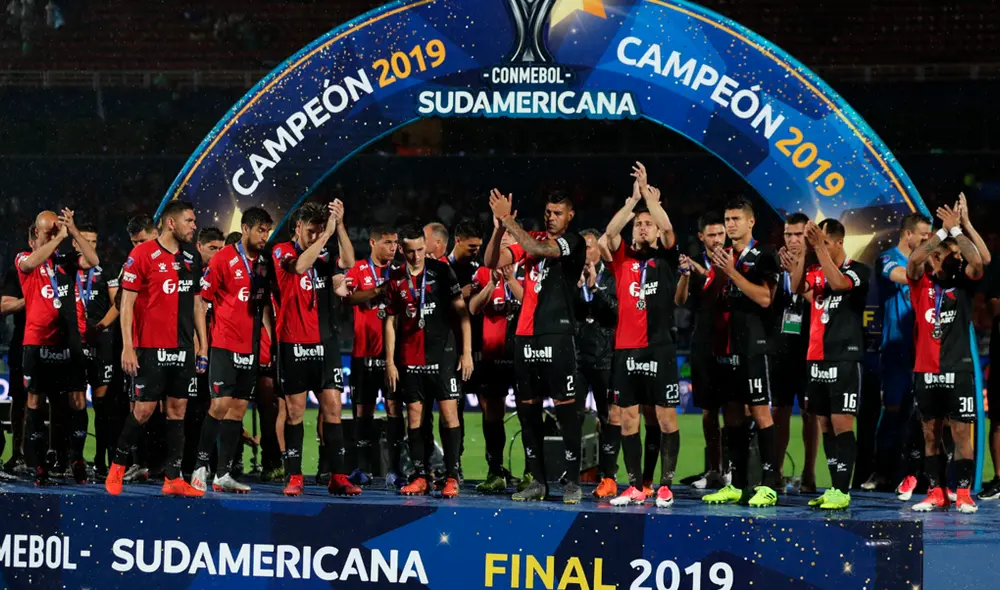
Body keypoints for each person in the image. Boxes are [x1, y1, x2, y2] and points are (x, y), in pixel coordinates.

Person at [484, 190, 587, 504]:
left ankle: (572, 481)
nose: (551, 217)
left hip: (557, 336)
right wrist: (499, 228)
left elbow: (536, 248)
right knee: (528, 412)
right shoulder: (532, 236)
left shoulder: (574, 242)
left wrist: (509, 220)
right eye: (547, 211)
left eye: (557, 212)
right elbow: (491, 261)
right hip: (525, 337)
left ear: (570, 216)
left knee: (566, 411)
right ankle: (538, 482)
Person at [105, 201, 207, 497]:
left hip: (183, 347)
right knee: (144, 410)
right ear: (171, 224)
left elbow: (198, 303)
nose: (193, 225)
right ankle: (117, 467)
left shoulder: (192, 257)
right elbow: (127, 302)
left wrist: (203, 345)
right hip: (150, 347)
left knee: (178, 411)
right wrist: (127, 345)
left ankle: (173, 478)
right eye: (189, 220)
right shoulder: (142, 254)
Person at [602, 166, 680, 508]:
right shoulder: (622, 260)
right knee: (628, 418)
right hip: (626, 349)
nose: (643, 226)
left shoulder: (666, 258)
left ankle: (664, 485)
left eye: (647, 222)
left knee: (665, 417)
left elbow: (667, 228)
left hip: (659, 348)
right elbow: (609, 232)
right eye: (639, 223)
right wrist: (633, 202)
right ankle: (634, 486)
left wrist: (649, 197)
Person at [273, 201, 358, 497]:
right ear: (298, 227)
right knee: (295, 413)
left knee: (333, 410)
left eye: (319, 231)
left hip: (325, 342)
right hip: (293, 341)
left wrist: (340, 227)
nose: (315, 236)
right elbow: (298, 267)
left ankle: (339, 476)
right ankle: (294, 476)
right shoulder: (281, 250)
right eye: (310, 231)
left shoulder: (326, 251)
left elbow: (349, 263)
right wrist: (324, 237)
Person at [785, 219, 870, 510]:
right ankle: (833, 487)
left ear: (838, 242)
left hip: (845, 358)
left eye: (825, 242)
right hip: (816, 357)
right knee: (824, 424)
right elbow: (796, 288)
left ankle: (843, 490)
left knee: (842, 422)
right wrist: (799, 258)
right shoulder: (815, 268)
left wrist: (818, 248)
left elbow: (838, 284)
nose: (819, 246)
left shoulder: (859, 270)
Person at [701, 197, 781, 507]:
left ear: (750, 222)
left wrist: (732, 273)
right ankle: (739, 484)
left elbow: (764, 298)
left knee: (760, 413)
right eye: (727, 219)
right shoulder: (723, 256)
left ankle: (770, 483)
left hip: (753, 347)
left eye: (736, 219)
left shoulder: (764, 255)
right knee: (731, 415)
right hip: (726, 346)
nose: (731, 224)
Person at [383, 225, 474, 498]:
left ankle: (451, 476)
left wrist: (466, 352)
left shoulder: (442, 272)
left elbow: (462, 314)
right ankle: (421, 475)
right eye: (410, 252)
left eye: (421, 250)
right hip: (410, 358)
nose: (416, 256)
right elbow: (390, 321)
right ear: (402, 249)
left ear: (426, 246)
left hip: (443, 355)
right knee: (414, 417)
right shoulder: (395, 277)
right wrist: (390, 361)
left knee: (449, 415)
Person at [906, 202, 985, 513]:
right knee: (930, 432)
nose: (939, 259)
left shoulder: (963, 285)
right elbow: (914, 260)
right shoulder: (920, 283)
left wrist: (957, 229)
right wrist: (941, 233)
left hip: (958, 369)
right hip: (925, 370)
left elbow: (978, 263)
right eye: (938, 255)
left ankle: (963, 493)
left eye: (947, 255)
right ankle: (936, 492)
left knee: (961, 431)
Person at [191, 208, 274, 493]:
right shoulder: (223, 258)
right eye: (261, 230)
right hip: (224, 344)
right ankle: (200, 466)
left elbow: (262, 305)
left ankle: (223, 473)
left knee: (237, 410)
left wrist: (270, 339)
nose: (265, 236)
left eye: (268, 231)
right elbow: (202, 302)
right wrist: (203, 345)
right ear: (247, 228)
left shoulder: (264, 261)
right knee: (218, 405)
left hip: (250, 347)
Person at [18, 209, 99, 485]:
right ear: (35, 235)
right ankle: (39, 465)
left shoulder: (66, 262)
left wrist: (73, 231)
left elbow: (93, 259)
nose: (54, 236)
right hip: (37, 342)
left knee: (77, 402)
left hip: (68, 343)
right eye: (48, 232)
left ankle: (76, 459)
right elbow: (30, 265)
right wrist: (58, 238)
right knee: (35, 402)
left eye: (55, 231)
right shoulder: (25, 259)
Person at [867, 212, 931, 498]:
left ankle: (917, 474)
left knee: (923, 416)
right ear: (908, 235)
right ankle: (881, 470)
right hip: (896, 348)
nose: (927, 241)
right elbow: (904, 276)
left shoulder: (929, 262)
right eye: (924, 236)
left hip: (925, 350)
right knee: (892, 411)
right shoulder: (887, 258)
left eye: (930, 237)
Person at [468, 225, 524, 492]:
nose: (504, 245)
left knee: (529, 413)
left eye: (509, 239)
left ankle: (532, 476)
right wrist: (491, 283)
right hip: (493, 354)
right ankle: (495, 471)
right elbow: (473, 307)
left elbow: (533, 304)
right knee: (493, 413)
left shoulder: (530, 270)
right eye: (500, 240)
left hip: (524, 354)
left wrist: (512, 280)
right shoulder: (483, 272)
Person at [343, 224, 400, 486]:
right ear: (373, 242)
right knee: (362, 412)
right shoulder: (358, 270)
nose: (393, 247)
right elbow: (350, 298)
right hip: (363, 355)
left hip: (393, 359)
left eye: (395, 243)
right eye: (388, 242)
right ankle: (360, 468)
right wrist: (378, 291)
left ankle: (396, 469)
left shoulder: (400, 271)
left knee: (394, 410)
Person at [675, 212, 728, 490]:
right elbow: (681, 300)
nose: (717, 239)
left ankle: (732, 469)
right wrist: (687, 273)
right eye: (711, 235)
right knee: (709, 412)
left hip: (732, 341)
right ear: (701, 237)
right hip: (704, 343)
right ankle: (714, 469)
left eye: (721, 234)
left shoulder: (736, 259)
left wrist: (701, 270)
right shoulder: (692, 263)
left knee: (735, 410)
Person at [772, 213, 818, 493]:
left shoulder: (817, 267)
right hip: (782, 350)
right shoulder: (776, 266)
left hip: (810, 349)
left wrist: (796, 273)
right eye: (788, 234)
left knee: (811, 413)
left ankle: (809, 473)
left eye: (798, 235)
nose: (792, 240)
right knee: (779, 412)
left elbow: (819, 300)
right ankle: (775, 473)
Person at [74, 224, 119, 478]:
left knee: (103, 407)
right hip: (76, 343)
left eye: (94, 241)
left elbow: (117, 303)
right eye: (85, 240)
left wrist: (100, 326)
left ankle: (102, 461)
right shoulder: (67, 268)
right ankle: (76, 459)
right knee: (77, 405)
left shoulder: (106, 268)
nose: (90, 245)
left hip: (101, 342)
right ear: (75, 242)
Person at [182, 227, 226, 478]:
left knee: (216, 408)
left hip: (219, 349)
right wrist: (200, 345)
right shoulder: (190, 273)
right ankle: (189, 465)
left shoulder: (225, 271)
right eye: (213, 248)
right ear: (199, 247)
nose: (218, 253)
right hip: (195, 349)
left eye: (221, 248)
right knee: (194, 409)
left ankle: (216, 464)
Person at [577, 227, 617, 498]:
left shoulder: (613, 276)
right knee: (572, 416)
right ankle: (572, 474)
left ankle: (608, 476)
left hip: (605, 358)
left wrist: (596, 288)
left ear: (599, 250)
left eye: (588, 247)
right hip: (577, 358)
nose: (584, 252)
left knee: (608, 417)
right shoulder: (569, 276)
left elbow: (617, 311)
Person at [0, 223, 36, 478]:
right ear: (32, 239)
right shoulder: (18, 269)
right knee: (20, 400)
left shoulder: (61, 266)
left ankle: (59, 456)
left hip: (58, 342)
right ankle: (18, 453)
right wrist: (32, 298)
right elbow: (3, 305)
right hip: (23, 343)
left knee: (60, 402)